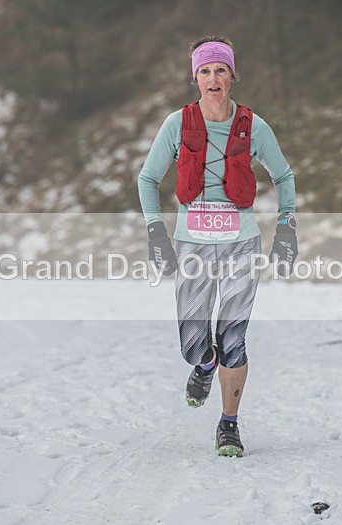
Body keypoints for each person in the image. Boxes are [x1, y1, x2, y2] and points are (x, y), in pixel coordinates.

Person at [137, 36, 297, 457]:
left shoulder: (252, 126)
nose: (213, 78)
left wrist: (286, 226)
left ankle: (229, 424)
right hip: (192, 244)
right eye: (205, 71)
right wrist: (156, 231)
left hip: (242, 244)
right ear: (195, 78)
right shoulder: (177, 124)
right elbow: (147, 179)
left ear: (232, 77)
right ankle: (203, 365)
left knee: (233, 337)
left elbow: (284, 177)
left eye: (220, 70)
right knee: (193, 340)